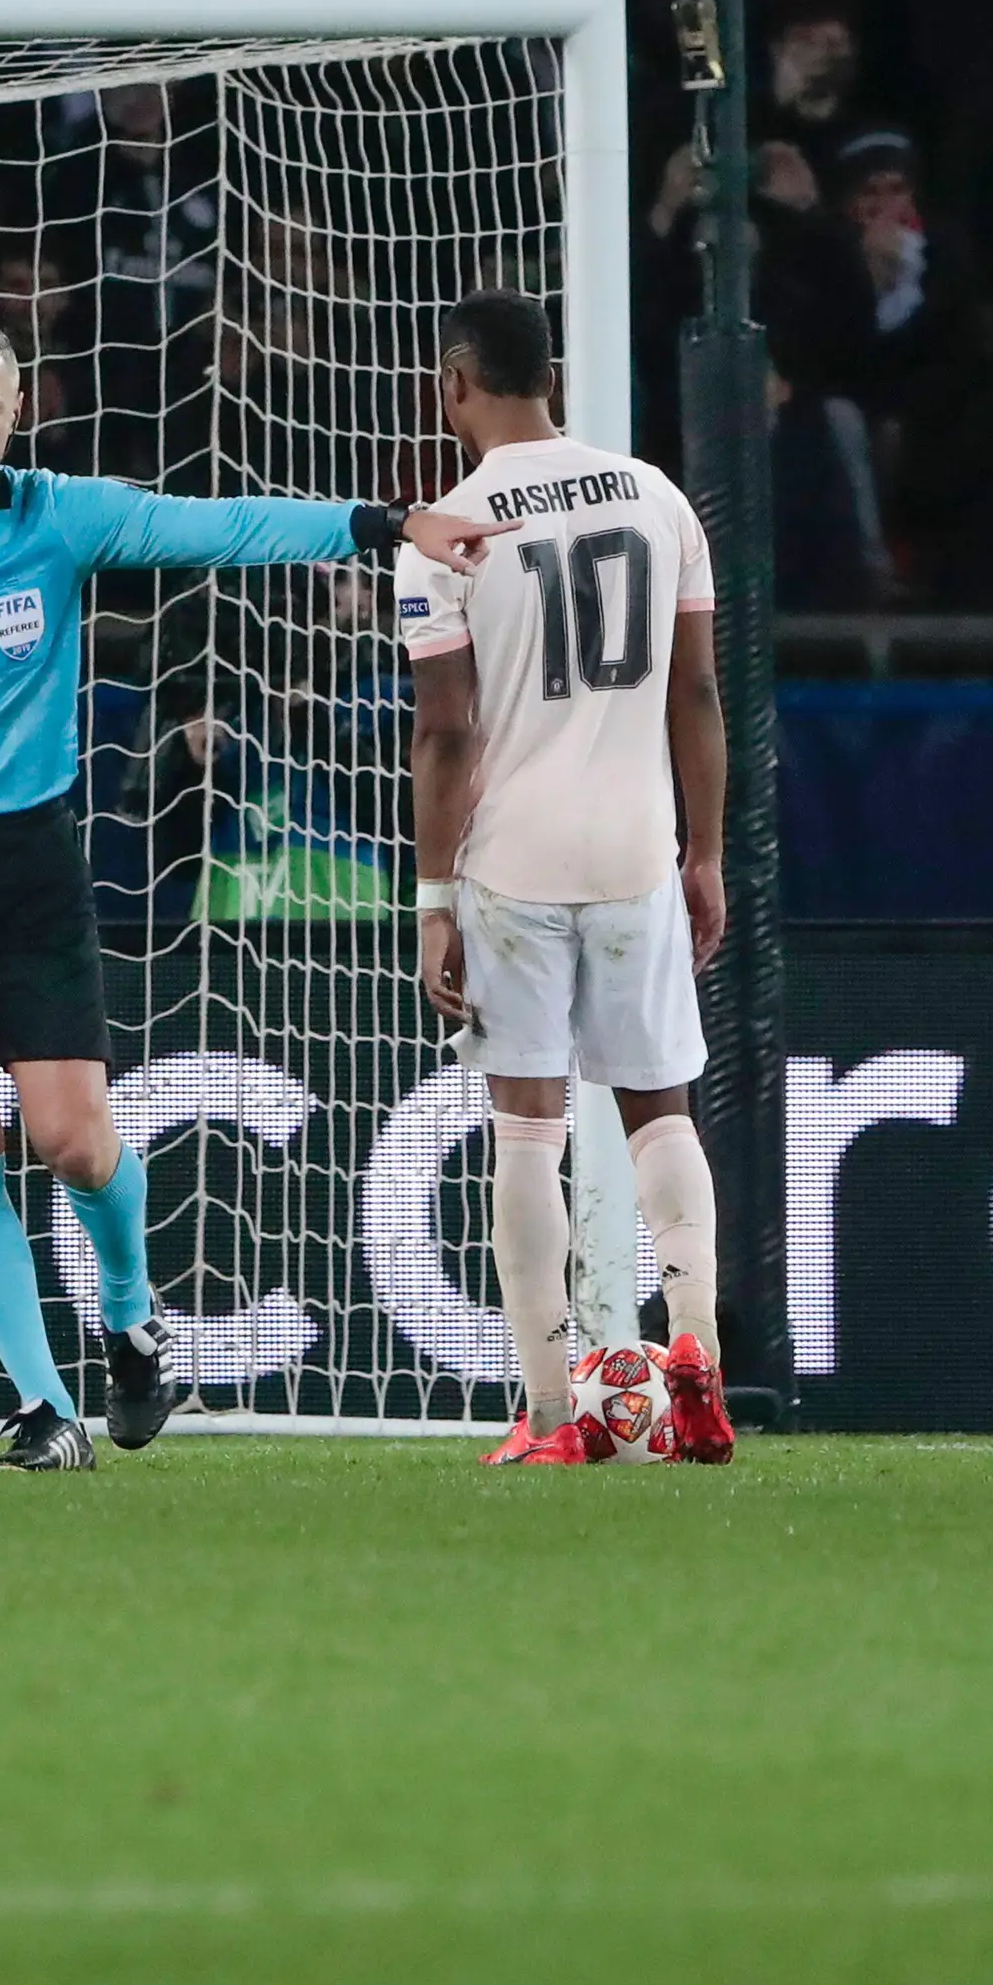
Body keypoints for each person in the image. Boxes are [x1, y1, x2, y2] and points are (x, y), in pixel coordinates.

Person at [0, 311, 507, 1470]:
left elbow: (220, 526)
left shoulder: (58, 516)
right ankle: (44, 1410)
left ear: (15, 414)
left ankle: (133, 1327)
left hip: (26, 865)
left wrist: (387, 523)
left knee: (73, 1141)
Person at [398, 290, 734, 1467]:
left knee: (528, 1132)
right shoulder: (658, 497)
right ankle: (695, 1352)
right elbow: (697, 692)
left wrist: (435, 900)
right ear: (555, 379)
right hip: (638, 845)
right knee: (659, 1110)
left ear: (454, 385)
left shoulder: (444, 530)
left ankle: (550, 1412)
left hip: (515, 860)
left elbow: (445, 732)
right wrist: (705, 852)